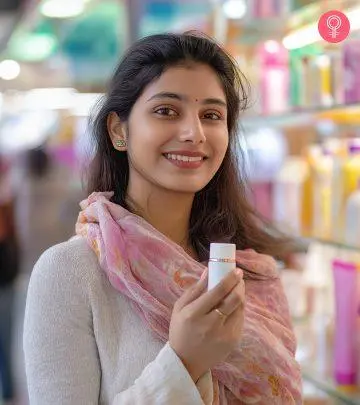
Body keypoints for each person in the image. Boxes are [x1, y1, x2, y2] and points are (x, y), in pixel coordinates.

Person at [23, 32, 302, 404]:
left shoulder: (251, 273)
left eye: (211, 115)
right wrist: (183, 363)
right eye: (166, 111)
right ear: (119, 130)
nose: (194, 133)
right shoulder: (70, 273)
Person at [0, 158, 20, 405]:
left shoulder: (6, 197)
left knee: (4, 339)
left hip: (5, 278)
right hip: (8, 276)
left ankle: (9, 391)